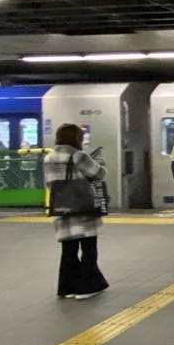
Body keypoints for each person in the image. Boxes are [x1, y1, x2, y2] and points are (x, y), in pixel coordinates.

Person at [43, 123, 109, 300]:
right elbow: (99, 174)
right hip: (83, 209)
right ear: (76, 139)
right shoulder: (79, 156)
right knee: (89, 248)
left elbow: (50, 183)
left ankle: (67, 288)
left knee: (68, 251)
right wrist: (99, 160)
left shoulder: (49, 158)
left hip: (62, 208)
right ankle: (87, 287)